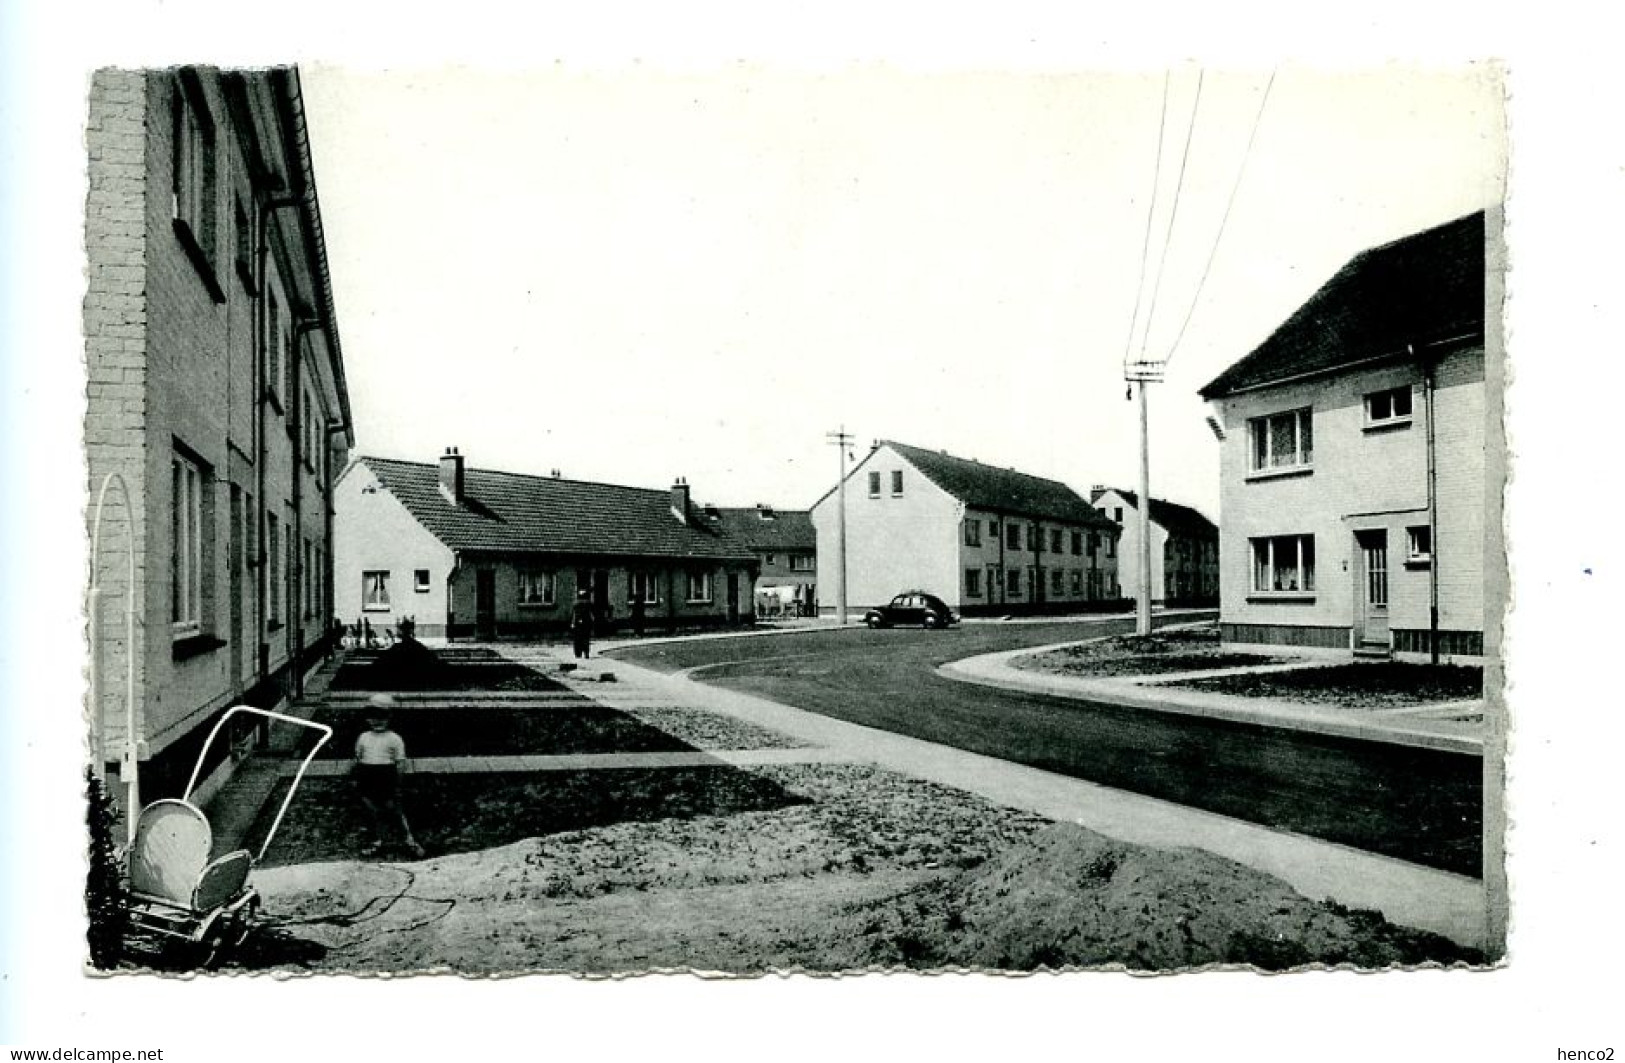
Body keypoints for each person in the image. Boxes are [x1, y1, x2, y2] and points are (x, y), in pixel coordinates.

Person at [353, 694, 425, 858]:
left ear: (390, 717)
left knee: (394, 810)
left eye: (382, 717)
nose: (377, 721)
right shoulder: (363, 737)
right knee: (370, 811)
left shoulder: (394, 739)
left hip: (386, 777)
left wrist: (398, 782)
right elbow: (358, 758)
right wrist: (358, 778)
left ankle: (409, 841)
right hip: (367, 776)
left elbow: (400, 763)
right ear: (367, 718)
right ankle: (376, 841)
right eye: (373, 717)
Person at [570, 589, 595, 659]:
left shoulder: (576, 604)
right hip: (587, 624)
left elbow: (574, 615)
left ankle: (578, 653)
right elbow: (591, 615)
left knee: (577, 639)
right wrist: (592, 623)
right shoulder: (589, 604)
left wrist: (572, 623)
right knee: (586, 638)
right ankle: (586, 653)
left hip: (578, 624)